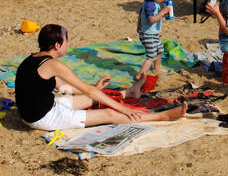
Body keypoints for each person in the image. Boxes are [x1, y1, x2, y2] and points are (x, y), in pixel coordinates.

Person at [15, 24, 185, 130]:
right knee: (109, 113)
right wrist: (123, 109)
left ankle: (129, 93)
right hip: (43, 118)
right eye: (67, 41)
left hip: (37, 110)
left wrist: (95, 91)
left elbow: (63, 88)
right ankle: (162, 116)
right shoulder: (54, 65)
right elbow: (86, 89)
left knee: (93, 98)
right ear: (57, 45)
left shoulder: (33, 58)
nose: (68, 44)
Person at [128, 0, 177, 100]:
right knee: (151, 56)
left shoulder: (149, 3)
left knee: (160, 49)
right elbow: (151, 20)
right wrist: (163, 12)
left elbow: (140, 15)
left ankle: (157, 68)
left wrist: (138, 25)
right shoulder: (151, 6)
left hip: (152, 34)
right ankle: (140, 75)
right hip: (148, 35)